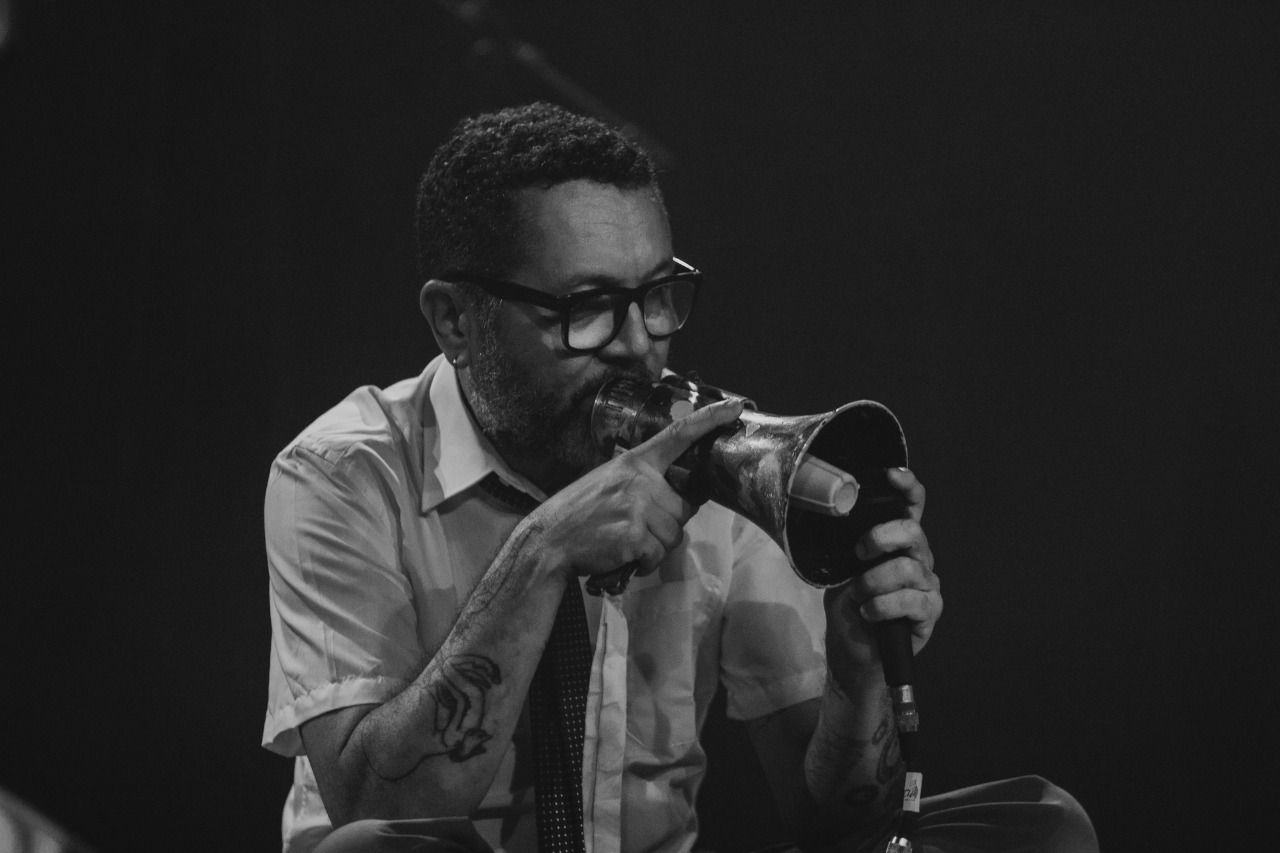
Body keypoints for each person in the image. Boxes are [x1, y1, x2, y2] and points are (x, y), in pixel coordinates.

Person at [262, 102, 1097, 853]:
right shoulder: (339, 474)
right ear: (455, 319)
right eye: (587, 307)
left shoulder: (720, 454)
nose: (639, 344)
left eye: (658, 295)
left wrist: (858, 671)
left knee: (1043, 827)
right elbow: (374, 806)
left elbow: (837, 824)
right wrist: (541, 553)